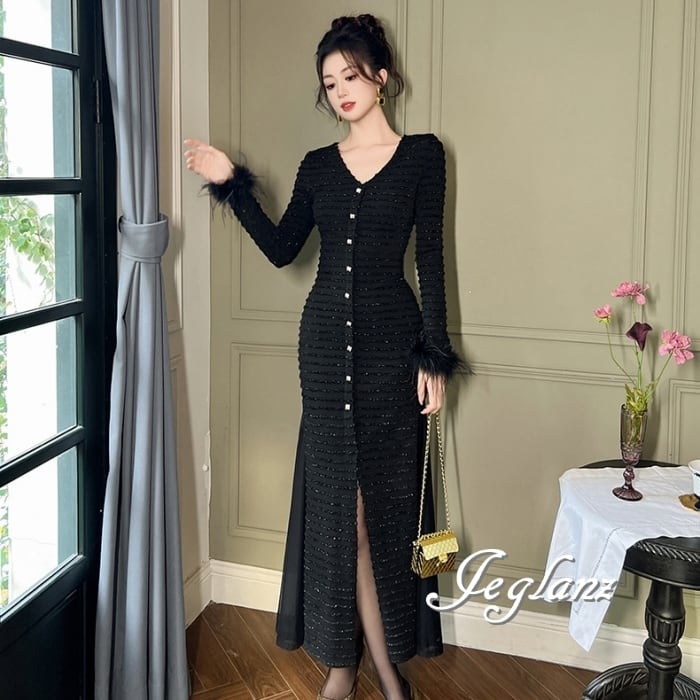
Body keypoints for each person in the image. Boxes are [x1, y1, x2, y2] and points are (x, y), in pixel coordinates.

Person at [184, 14, 463, 700]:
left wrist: (434, 356)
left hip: (393, 356)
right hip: (323, 353)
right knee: (344, 516)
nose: (340, 90)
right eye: (330, 82)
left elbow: (430, 261)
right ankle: (347, 666)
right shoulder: (317, 167)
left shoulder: (424, 156)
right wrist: (231, 183)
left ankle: (385, 668)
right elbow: (285, 250)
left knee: (386, 513)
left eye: (351, 75)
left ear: (382, 77)